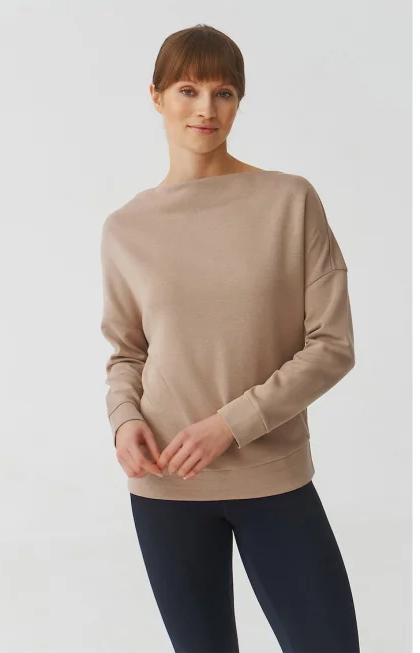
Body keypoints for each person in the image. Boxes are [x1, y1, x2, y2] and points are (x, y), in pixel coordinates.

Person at [100, 23, 361, 653]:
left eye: (224, 93)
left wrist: (230, 425)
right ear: (156, 96)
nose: (206, 109)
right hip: (165, 482)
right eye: (188, 90)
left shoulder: (289, 201)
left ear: (240, 101)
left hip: (272, 475)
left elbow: (332, 345)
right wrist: (123, 420)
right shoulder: (126, 227)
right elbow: (127, 352)